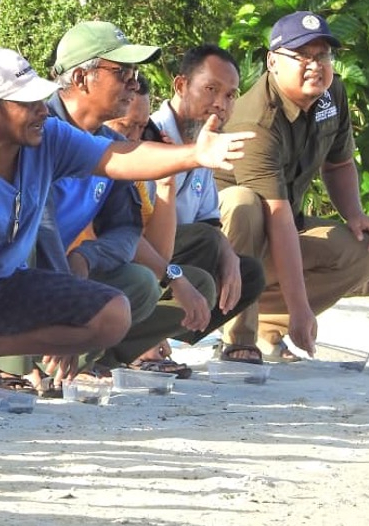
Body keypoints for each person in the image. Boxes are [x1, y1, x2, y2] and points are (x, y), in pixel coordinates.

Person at [0, 47, 254, 386]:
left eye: (40, 100)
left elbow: (118, 157)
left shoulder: (47, 136)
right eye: (27, 103)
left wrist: (195, 155)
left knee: (114, 315)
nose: (40, 111)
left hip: (11, 286)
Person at [30, 21, 218, 380]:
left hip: (70, 272)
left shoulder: (103, 139)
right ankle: (3, 363)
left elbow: (126, 230)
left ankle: (73, 357)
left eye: (135, 73)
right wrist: (69, 288)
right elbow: (38, 222)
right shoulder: (37, 125)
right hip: (18, 271)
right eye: (123, 72)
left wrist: (87, 257)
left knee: (141, 283)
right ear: (83, 78)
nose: (134, 83)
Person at [214, 11, 369, 362]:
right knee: (242, 204)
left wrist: (354, 214)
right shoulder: (256, 120)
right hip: (221, 249)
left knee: (364, 250)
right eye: (302, 56)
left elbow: (338, 163)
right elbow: (274, 216)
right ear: (272, 62)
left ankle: (266, 326)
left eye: (322, 55)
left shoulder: (331, 94)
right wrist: (300, 309)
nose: (315, 65)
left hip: (282, 226)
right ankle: (238, 337)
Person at [109, 45, 266, 363]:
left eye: (231, 95)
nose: (220, 104)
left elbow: (209, 221)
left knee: (247, 273)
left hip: (171, 255)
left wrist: (229, 257)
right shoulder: (146, 134)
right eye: (211, 89)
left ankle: (156, 333)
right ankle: (138, 342)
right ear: (180, 86)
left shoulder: (203, 140)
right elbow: (124, 226)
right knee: (204, 248)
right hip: (132, 252)